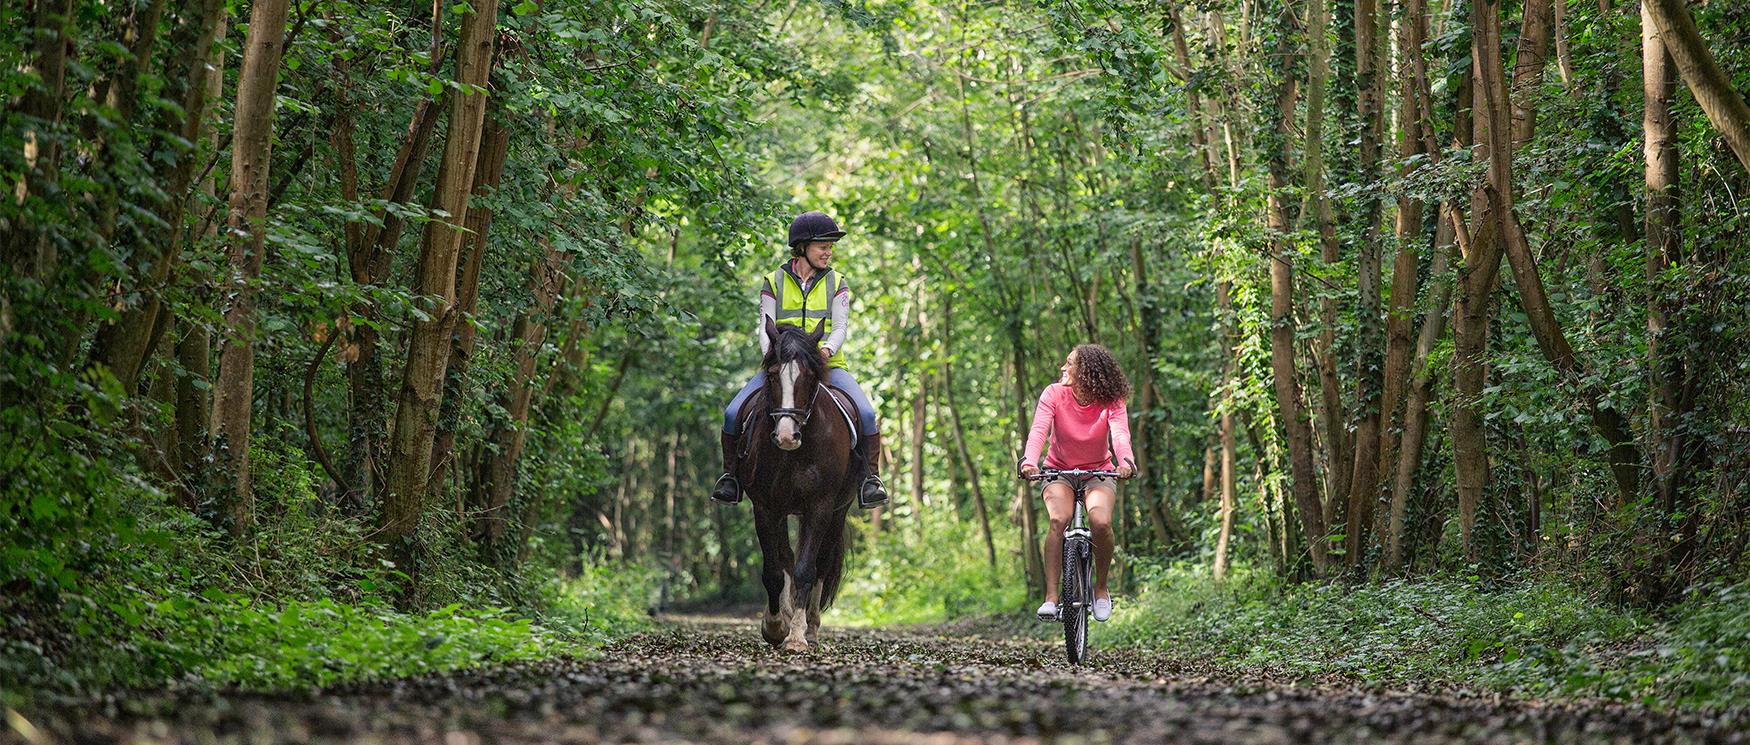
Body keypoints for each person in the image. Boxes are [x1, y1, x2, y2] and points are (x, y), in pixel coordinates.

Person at [712, 211, 889, 509]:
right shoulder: (774, 281)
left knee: (867, 414)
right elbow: (764, 327)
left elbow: (840, 326)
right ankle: (731, 477)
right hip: (781, 364)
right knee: (732, 413)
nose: (828, 252)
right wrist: (774, 355)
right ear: (803, 246)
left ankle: (871, 480)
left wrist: (826, 352)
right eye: (823, 246)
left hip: (827, 365)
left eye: (830, 247)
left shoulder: (838, 282)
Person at [1019, 344, 1136, 623]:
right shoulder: (1054, 394)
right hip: (1059, 470)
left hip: (1099, 472)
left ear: (1086, 371)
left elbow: (1120, 435)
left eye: (1069, 363)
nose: (1063, 368)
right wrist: (1028, 461)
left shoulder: (1111, 400)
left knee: (1101, 523)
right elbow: (1039, 430)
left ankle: (1101, 589)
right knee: (1059, 520)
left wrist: (1126, 462)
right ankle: (1051, 598)